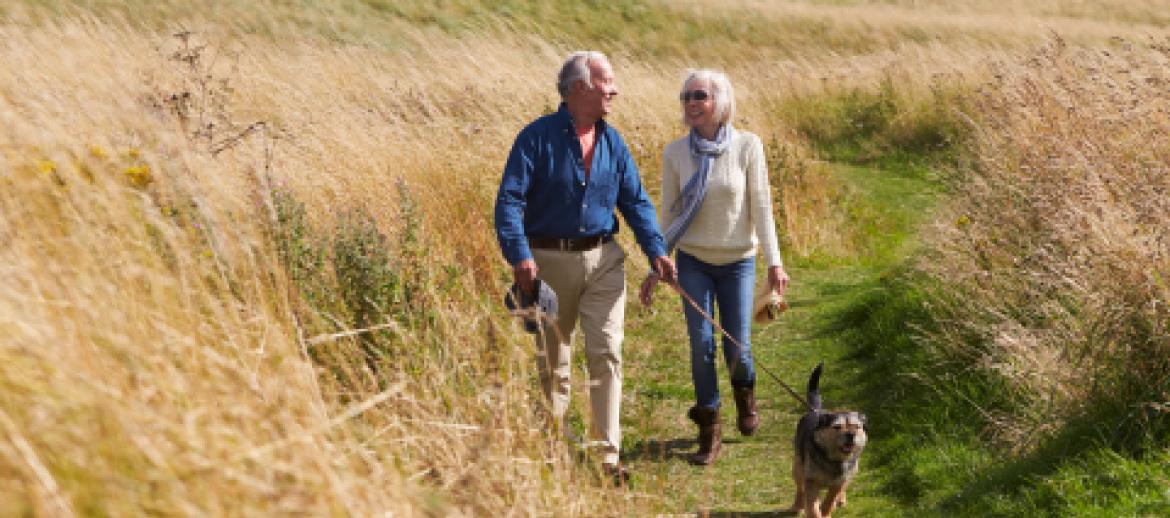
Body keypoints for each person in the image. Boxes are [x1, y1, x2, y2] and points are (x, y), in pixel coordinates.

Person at [494, 50, 677, 482]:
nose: (614, 90)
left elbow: (635, 201)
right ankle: (551, 453)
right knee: (554, 363)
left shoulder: (613, 142)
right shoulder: (535, 138)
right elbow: (509, 201)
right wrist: (519, 256)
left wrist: (656, 250)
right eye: (606, 81)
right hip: (546, 265)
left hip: (605, 261)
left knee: (607, 353)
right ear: (580, 87)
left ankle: (607, 458)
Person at [638, 69, 789, 466]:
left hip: (739, 260)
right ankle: (710, 429)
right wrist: (658, 262)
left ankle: (746, 395)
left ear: (719, 102)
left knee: (737, 345)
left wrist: (774, 262)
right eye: (685, 96)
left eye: (699, 95)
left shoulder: (747, 146)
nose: (690, 103)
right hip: (693, 261)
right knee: (701, 345)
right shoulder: (674, 153)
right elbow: (669, 213)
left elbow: (761, 208)